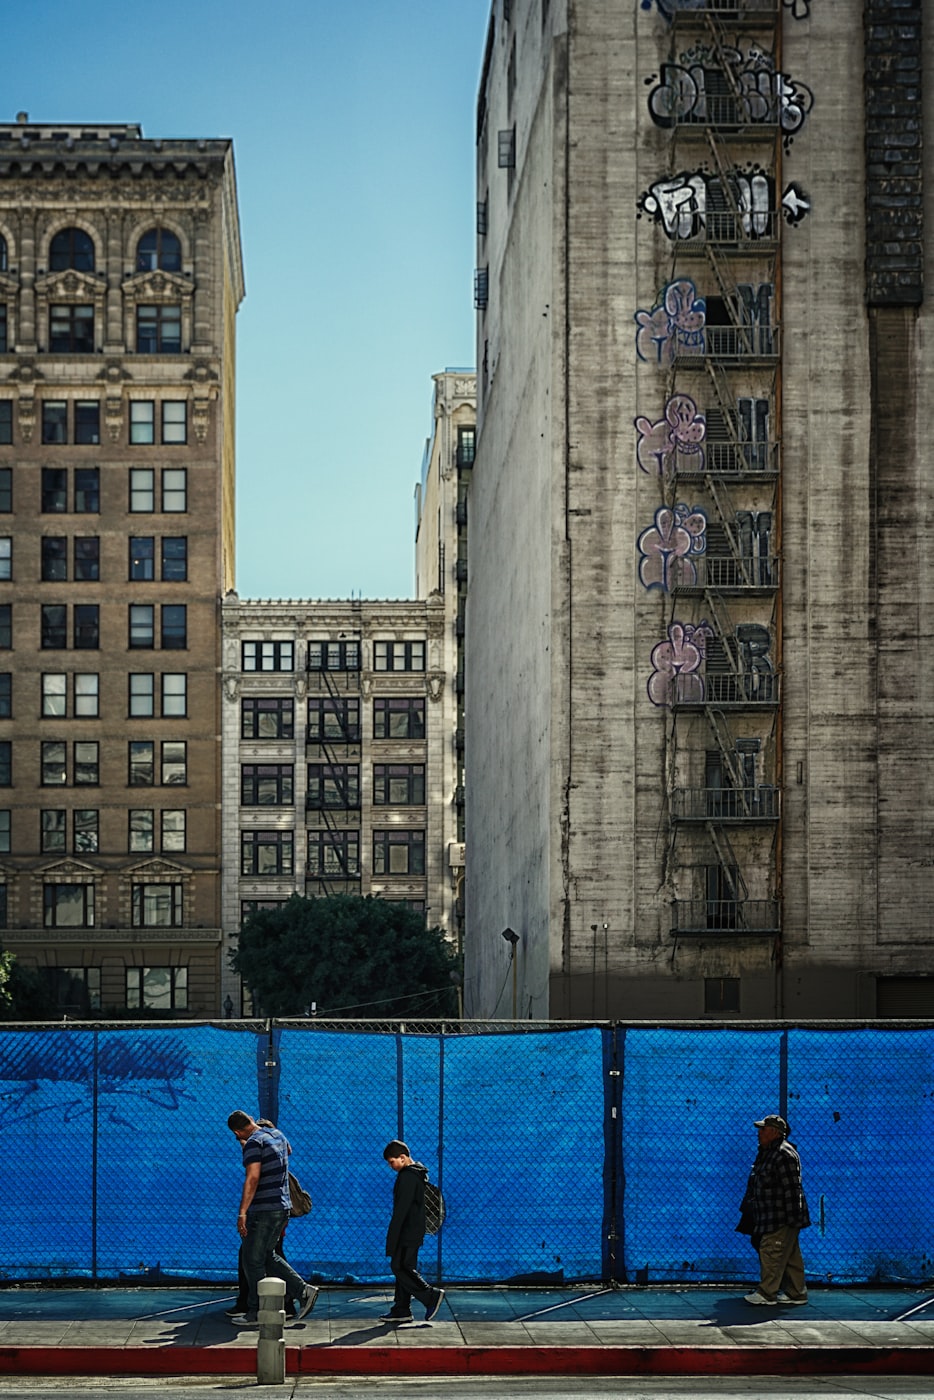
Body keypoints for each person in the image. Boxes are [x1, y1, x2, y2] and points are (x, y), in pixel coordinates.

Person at [227, 1109, 318, 1327]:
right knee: (268, 1255)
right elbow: (287, 1150)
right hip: (282, 1207)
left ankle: (256, 1311)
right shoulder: (277, 1135)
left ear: (238, 1131)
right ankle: (303, 1291)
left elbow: (253, 1178)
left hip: (263, 1209)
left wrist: (242, 1212)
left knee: (251, 1259)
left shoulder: (253, 1144)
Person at [738, 1113, 810, 1306]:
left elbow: (792, 1189)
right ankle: (796, 1292)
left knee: (771, 1250)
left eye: (763, 1129)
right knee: (790, 1253)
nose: (759, 1133)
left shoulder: (783, 1154)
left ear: (774, 1132)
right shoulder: (768, 1151)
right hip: (771, 1214)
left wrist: (793, 1218)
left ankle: (767, 1293)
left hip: (780, 1215)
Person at [380, 1139, 445, 1324]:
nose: (390, 1166)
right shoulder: (417, 1174)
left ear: (402, 1157)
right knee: (404, 1267)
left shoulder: (406, 1177)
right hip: (414, 1230)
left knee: (399, 1267)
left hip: (406, 1231)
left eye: (392, 1162)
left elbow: (401, 1210)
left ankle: (430, 1295)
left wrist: (392, 1238)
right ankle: (401, 1308)